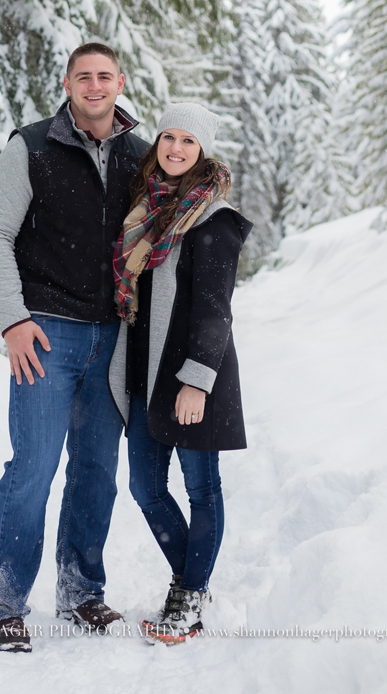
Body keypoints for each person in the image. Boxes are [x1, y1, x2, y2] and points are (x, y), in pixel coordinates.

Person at [0, 42, 148, 653]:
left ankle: (80, 593)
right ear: (68, 83)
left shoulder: (139, 155)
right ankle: (5, 604)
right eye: (84, 77)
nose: (94, 86)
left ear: (120, 82)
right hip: (46, 334)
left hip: (113, 336)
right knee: (33, 468)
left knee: (97, 471)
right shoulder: (31, 147)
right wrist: (12, 321)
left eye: (105, 76)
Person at [109, 102, 252, 644]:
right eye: (169, 137)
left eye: (188, 141)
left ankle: (190, 594)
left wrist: (196, 381)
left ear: (202, 150)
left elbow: (215, 311)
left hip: (192, 377)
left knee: (201, 488)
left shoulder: (213, 219)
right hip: (147, 374)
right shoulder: (147, 208)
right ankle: (191, 577)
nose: (175, 148)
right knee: (145, 487)